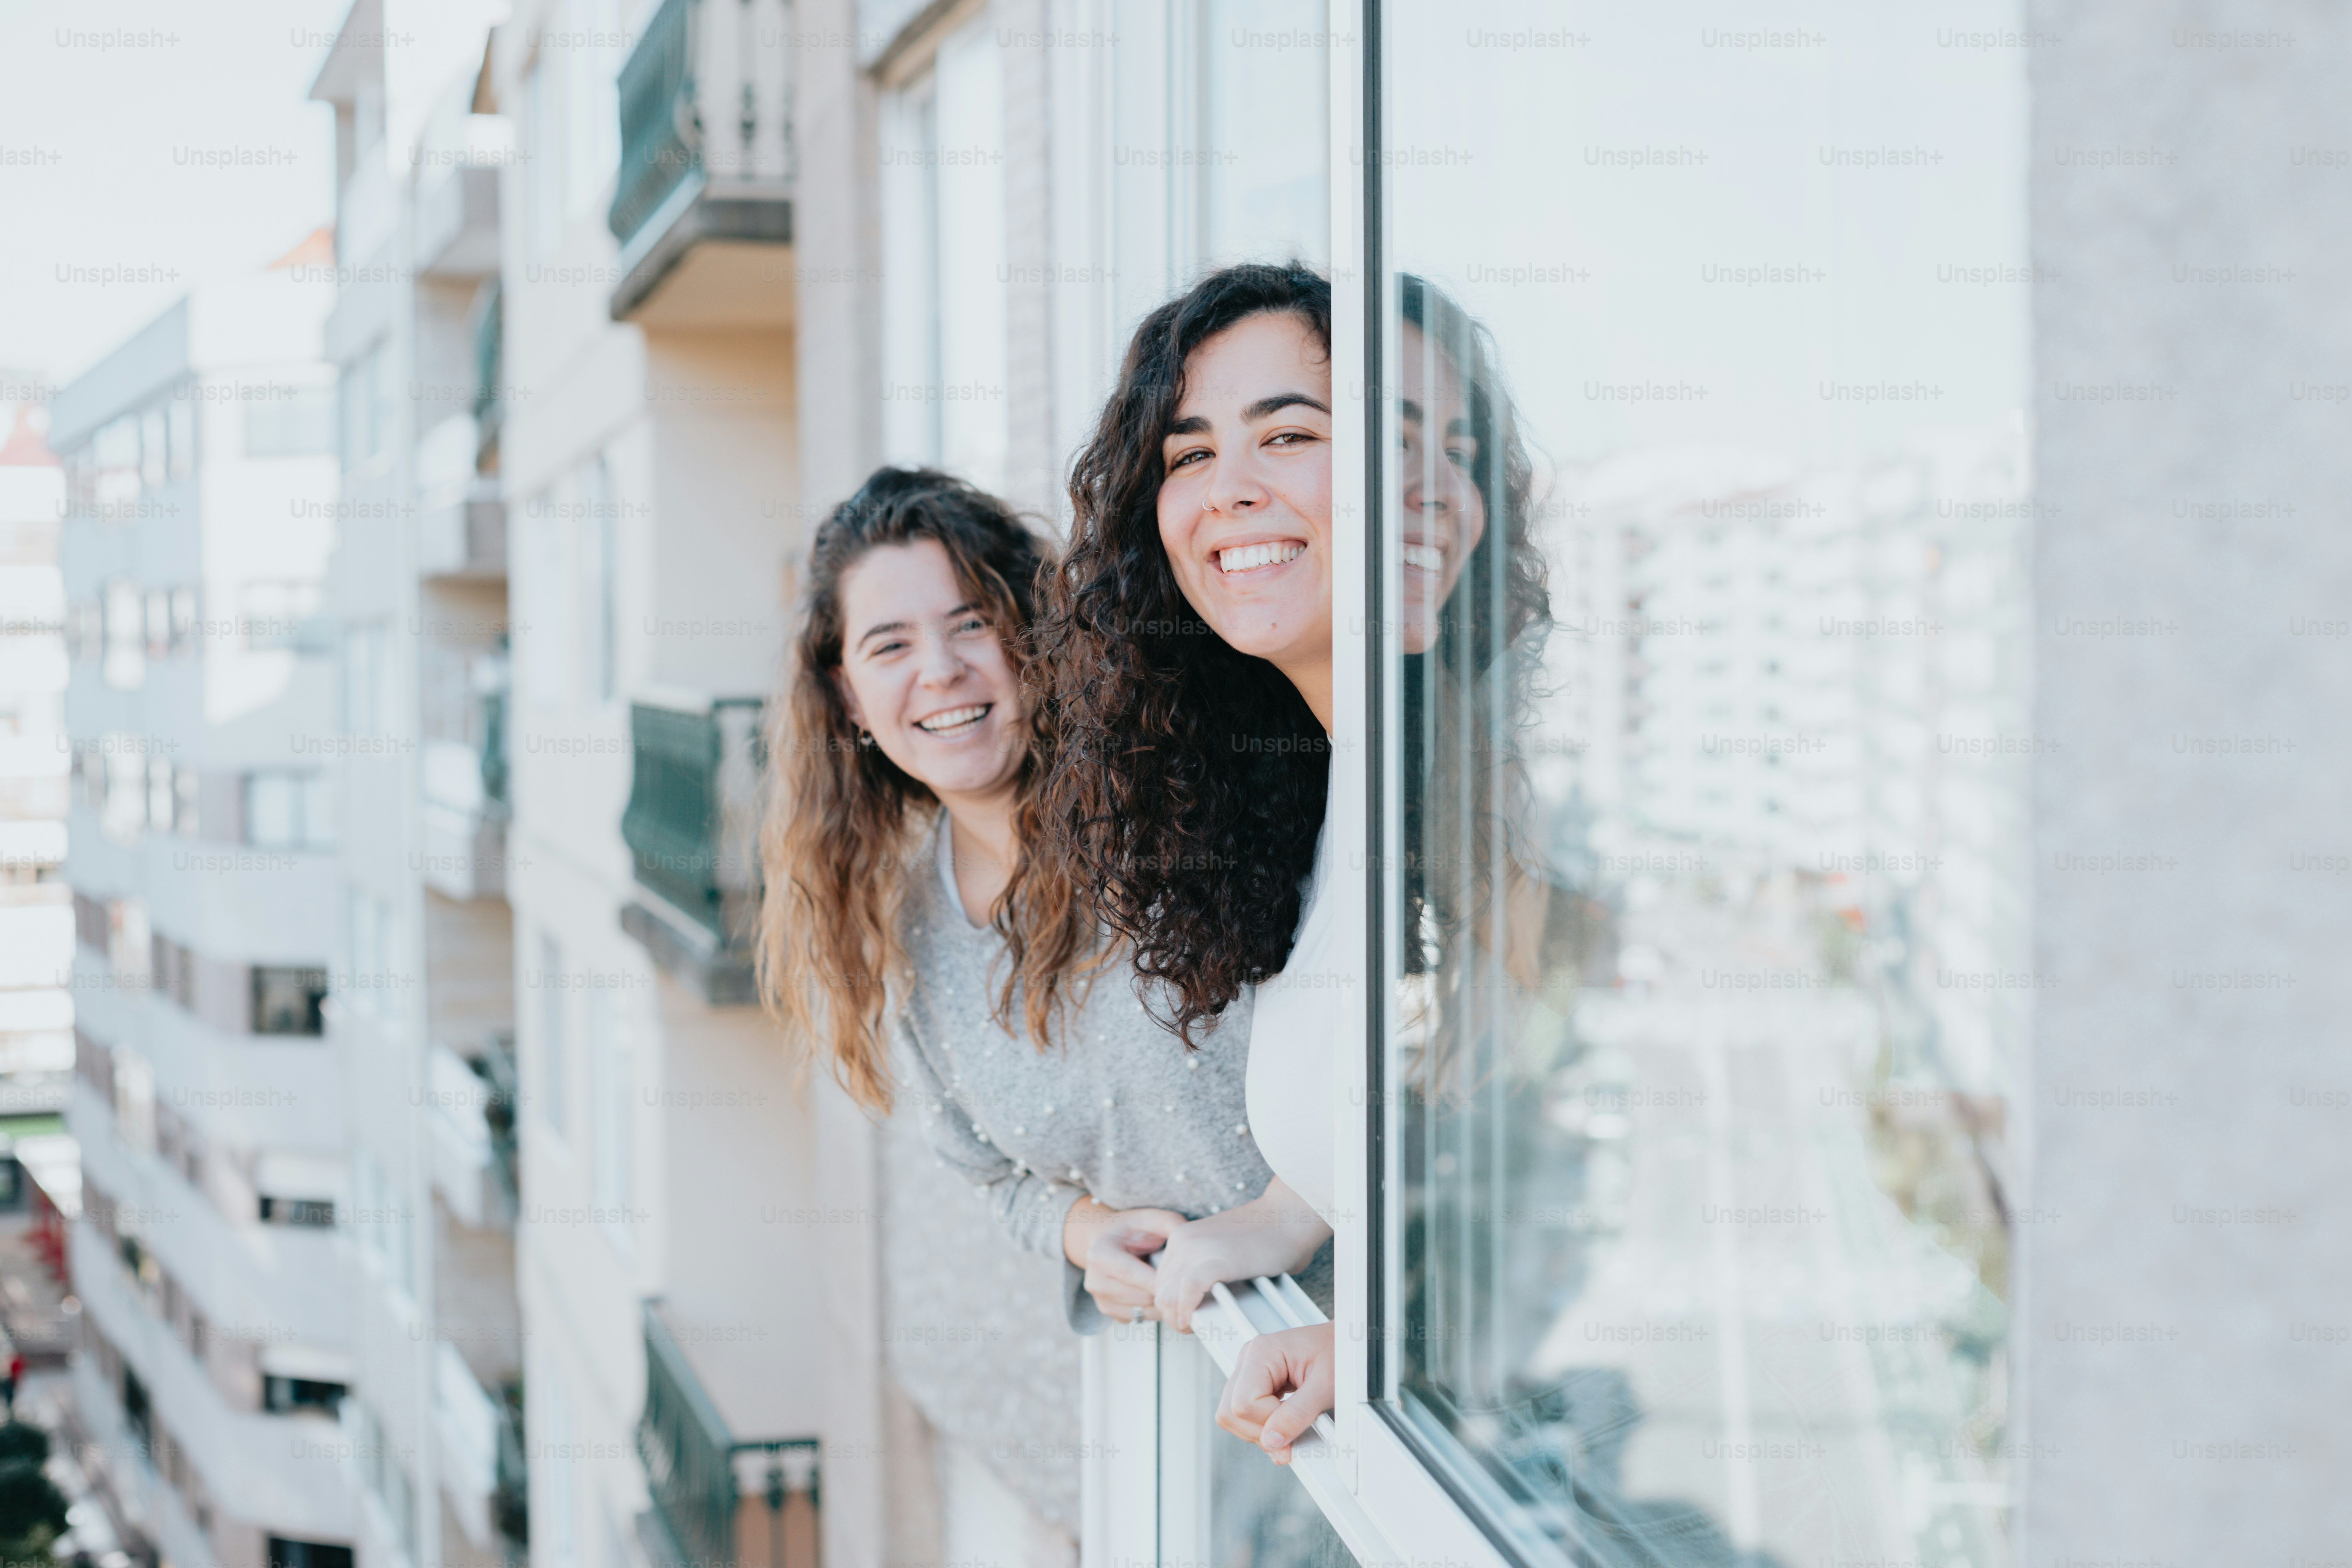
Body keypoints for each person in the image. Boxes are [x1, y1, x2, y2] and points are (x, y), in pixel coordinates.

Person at [1023, 267, 1549, 1462]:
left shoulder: (1503, 782)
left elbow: (1578, 1159)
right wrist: (1279, 1224)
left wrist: (1391, 1349)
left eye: (1293, 435)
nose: (1230, 493)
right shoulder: (1338, 779)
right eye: (1189, 454)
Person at [755, 466, 1271, 1339]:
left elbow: (1373, 1044)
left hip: (1379, 1355)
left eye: (973, 624)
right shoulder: (908, 929)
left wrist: (1284, 1219)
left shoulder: (1180, 798)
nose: (943, 671)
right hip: (1187, 1391)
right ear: (849, 697)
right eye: (890, 646)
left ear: (1034, 633)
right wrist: (1088, 1231)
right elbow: (999, 1177)